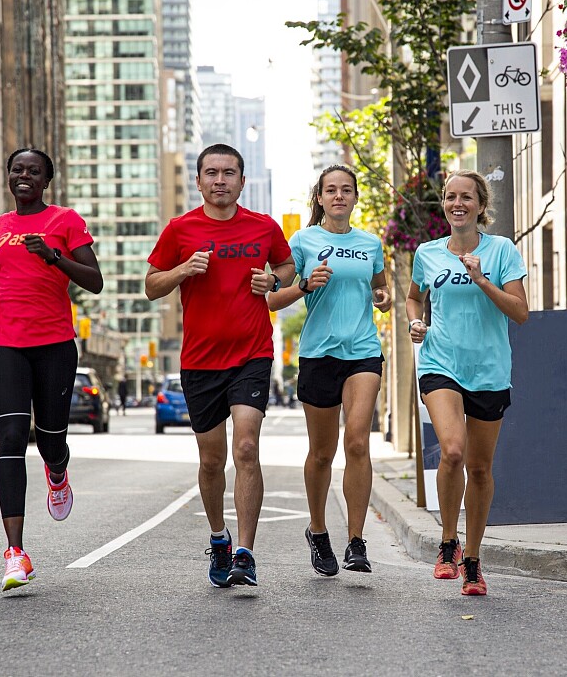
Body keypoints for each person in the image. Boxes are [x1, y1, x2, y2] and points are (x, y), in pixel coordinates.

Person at [145, 143, 294, 588]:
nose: (220, 180)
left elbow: (287, 267)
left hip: (252, 353)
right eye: (211, 172)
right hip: (200, 360)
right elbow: (151, 286)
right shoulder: (180, 229)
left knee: (246, 448)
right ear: (199, 181)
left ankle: (245, 552)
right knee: (212, 461)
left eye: (229, 173)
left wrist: (273, 280)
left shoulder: (263, 226)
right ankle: (219, 537)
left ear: (242, 181)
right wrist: (183, 270)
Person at [0, 148, 103, 591]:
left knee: (50, 441)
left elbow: (94, 281)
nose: (23, 175)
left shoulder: (65, 221)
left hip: (54, 345)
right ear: (9, 176)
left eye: (33, 171)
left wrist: (53, 256)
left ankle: (58, 471)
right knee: (10, 436)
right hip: (5, 342)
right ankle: (15, 553)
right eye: (17, 169)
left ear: (47, 181)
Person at [406, 169, 528, 596]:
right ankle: (447, 543)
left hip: (489, 370)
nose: (457, 204)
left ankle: (472, 560)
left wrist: (481, 280)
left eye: (466, 197)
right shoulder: (427, 253)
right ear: (443, 204)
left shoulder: (501, 250)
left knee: (479, 468)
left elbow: (520, 312)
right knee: (453, 450)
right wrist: (415, 323)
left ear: (480, 205)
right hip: (440, 362)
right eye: (450, 197)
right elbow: (414, 297)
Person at [267, 164, 391, 577]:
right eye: (331, 190)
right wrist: (304, 285)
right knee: (322, 452)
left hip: (363, 352)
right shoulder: (303, 241)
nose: (339, 196)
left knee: (357, 442)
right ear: (319, 198)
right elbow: (272, 300)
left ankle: (356, 541)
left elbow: (380, 289)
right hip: (319, 354)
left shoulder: (370, 243)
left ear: (355, 197)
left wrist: (384, 298)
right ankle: (318, 531)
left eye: (346, 190)